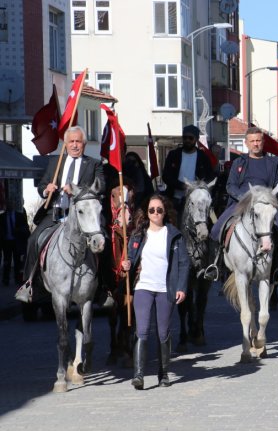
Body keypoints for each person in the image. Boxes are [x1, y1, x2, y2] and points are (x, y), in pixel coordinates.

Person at [16, 126, 105, 303]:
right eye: (71, 141)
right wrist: (46, 189)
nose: (74, 145)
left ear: (84, 144)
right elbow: (42, 185)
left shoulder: (94, 164)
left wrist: (76, 191)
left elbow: (101, 185)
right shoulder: (55, 163)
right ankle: (30, 285)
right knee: (33, 240)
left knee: (103, 242)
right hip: (55, 213)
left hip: (82, 218)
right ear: (65, 144)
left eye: (78, 141)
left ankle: (103, 287)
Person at [120, 194, 188, 390]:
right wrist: (127, 264)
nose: (155, 213)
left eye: (159, 209)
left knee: (163, 332)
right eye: (152, 210)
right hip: (144, 287)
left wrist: (181, 287)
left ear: (165, 211)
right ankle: (139, 375)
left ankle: (164, 373)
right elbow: (131, 259)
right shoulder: (138, 235)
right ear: (147, 213)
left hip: (165, 288)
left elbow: (184, 263)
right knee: (141, 331)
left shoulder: (174, 235)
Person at [207, 127, 278, 282]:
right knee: (216, 229)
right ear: (246, 143)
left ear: (263, 142)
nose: (255, 144)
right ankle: (216, 265)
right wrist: (244, 198)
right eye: (252, 141)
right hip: (240, 203)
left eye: (258, 140)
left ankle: (277, 268)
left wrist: (270, 197)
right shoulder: (239, 162)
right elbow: (230, 186)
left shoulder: (273, 163)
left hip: (265, 205)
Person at [162, 125, 216, 214]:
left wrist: (198, 187)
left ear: (196, 139)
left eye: (190, 138)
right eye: (185, 137)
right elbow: (166, 176)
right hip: (175, 199)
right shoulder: (174, 154)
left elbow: (210, 177)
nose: (187, 140)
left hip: (196, 200)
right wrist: (183, 186)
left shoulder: (203, 157)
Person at [1, 203, 30, 286]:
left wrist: (19, 231)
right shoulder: (2, 216)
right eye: (7, 204)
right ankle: (5, 279)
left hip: (17, 241)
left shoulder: (19, 215)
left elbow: (25, 227)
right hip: (6, 242)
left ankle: (17, 278)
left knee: (17, 261)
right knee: (7, 261)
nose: (9, 206)